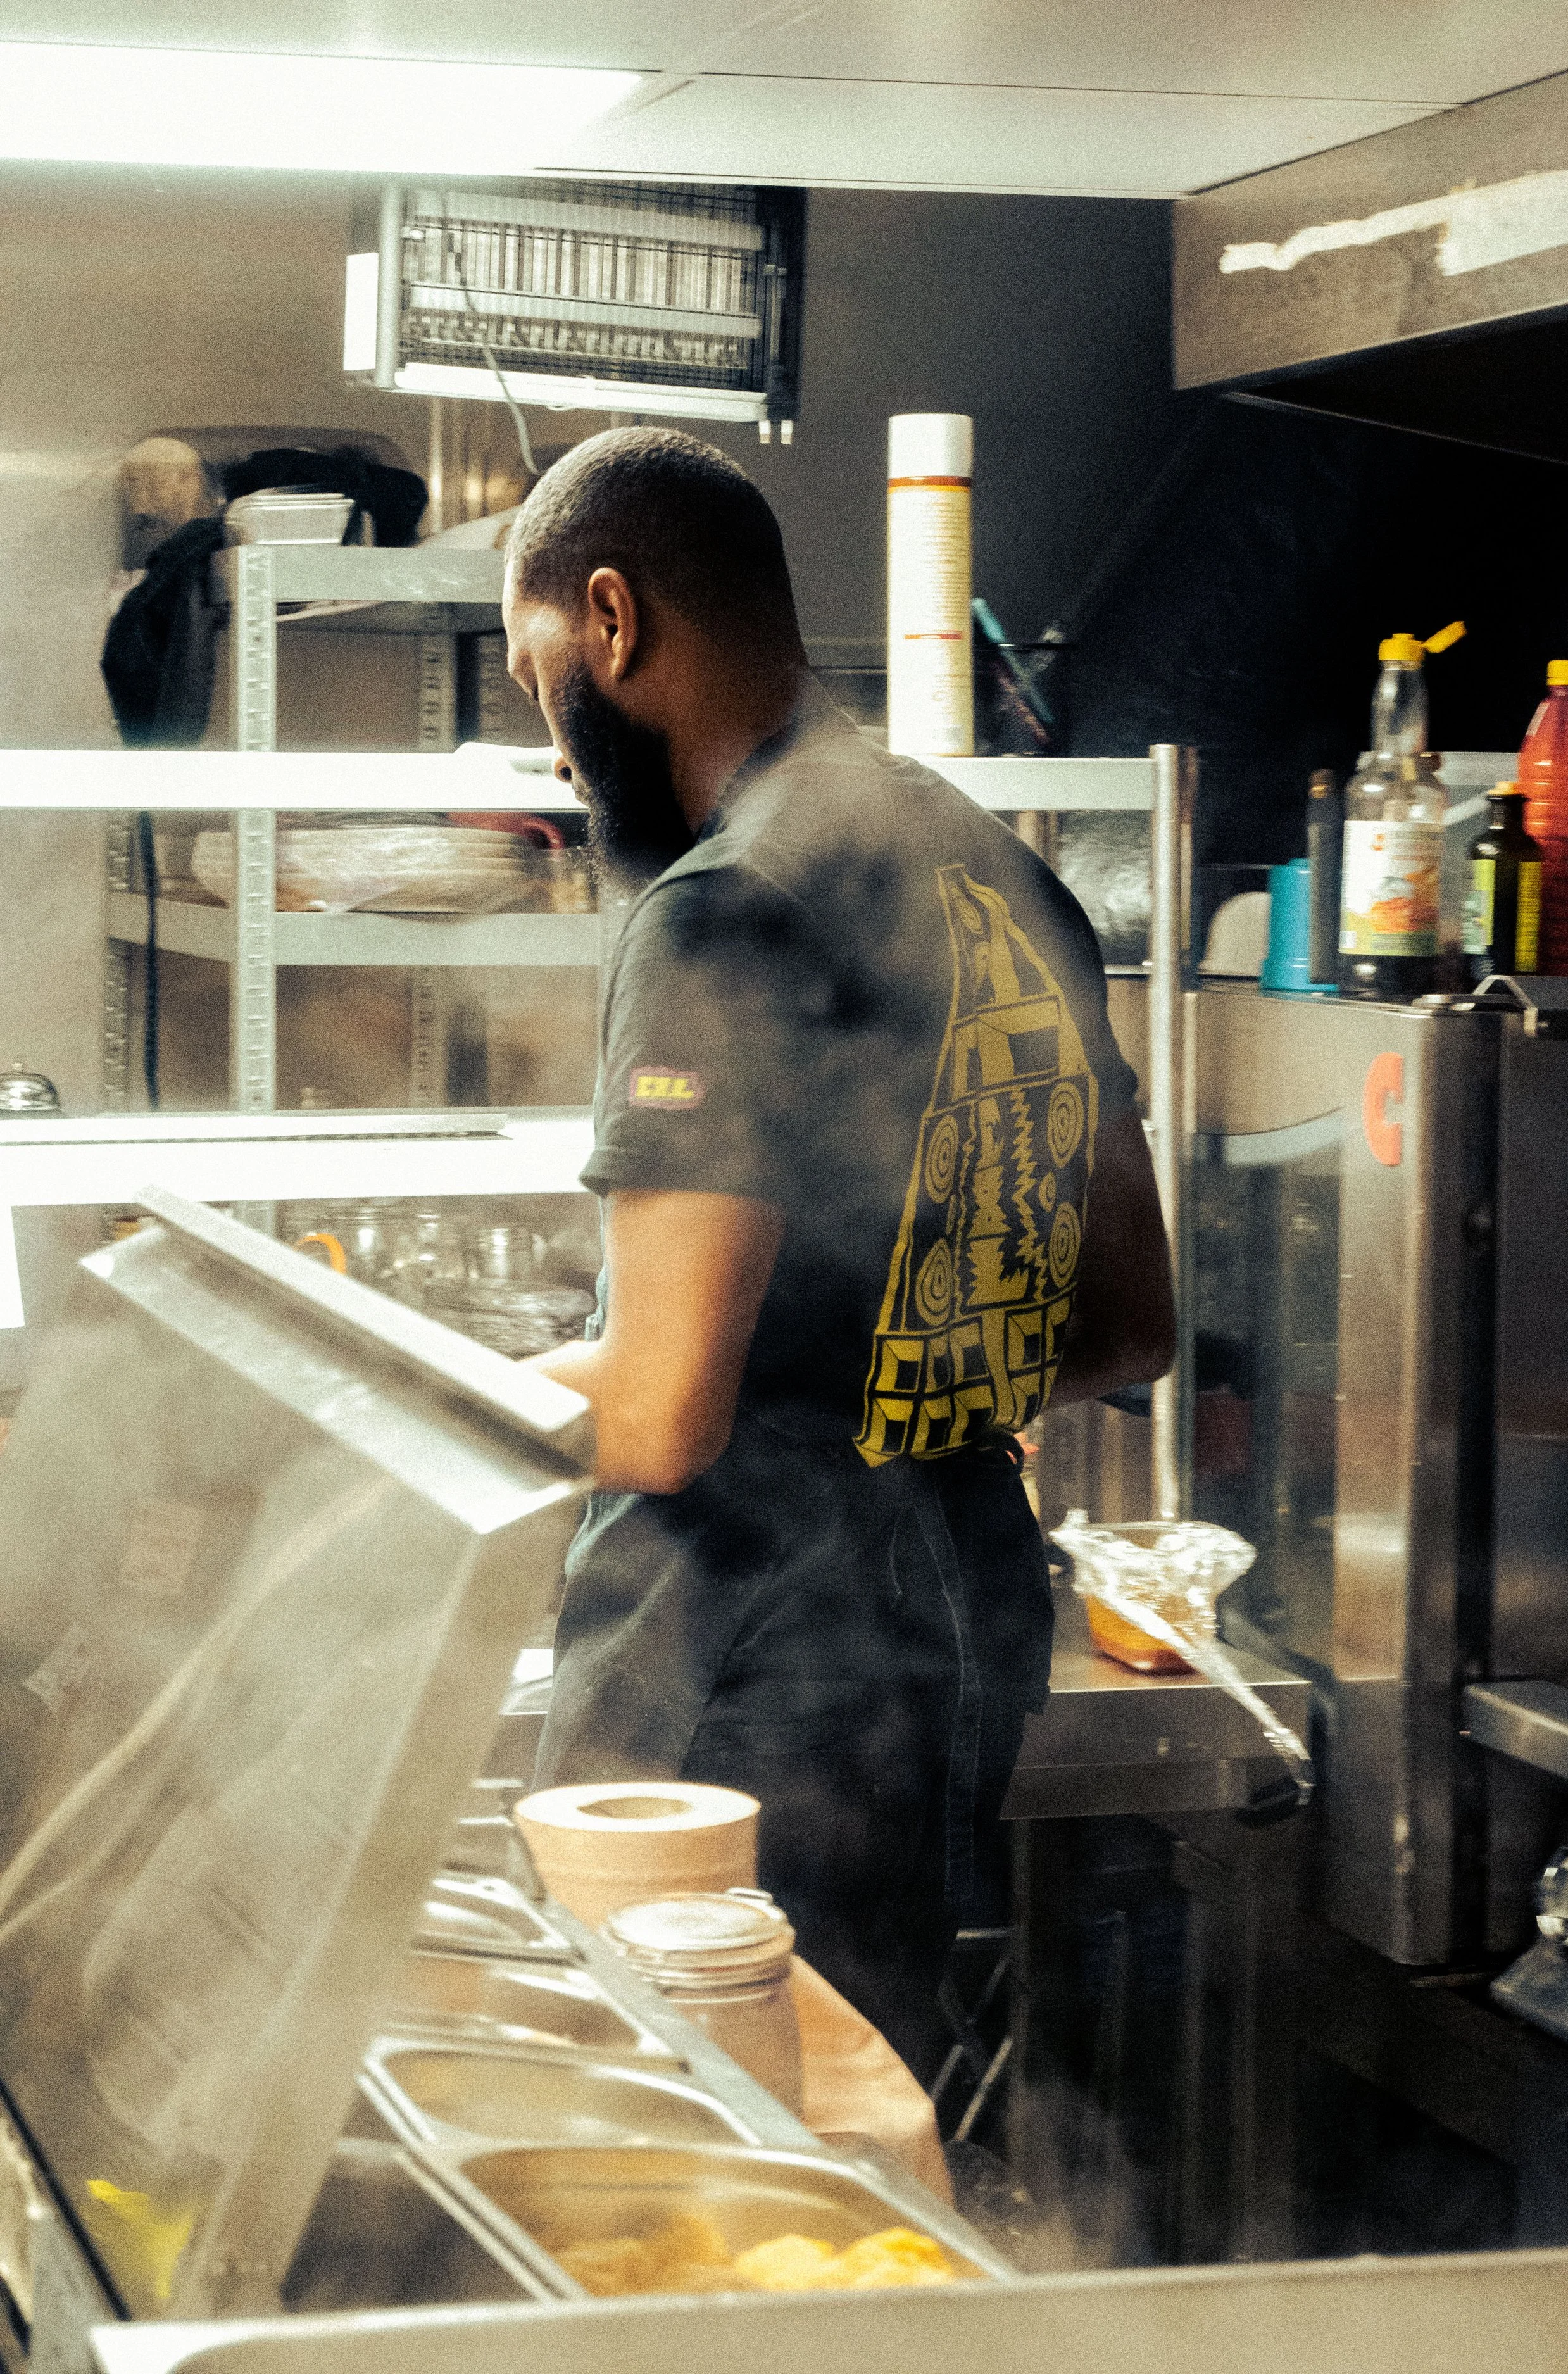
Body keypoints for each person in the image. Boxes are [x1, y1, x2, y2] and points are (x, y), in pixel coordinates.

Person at [503, 428, 1175, 2076]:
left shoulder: (722, 906)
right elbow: (1127, 1317)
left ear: (610, 620)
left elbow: (660, 1411)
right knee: (868, 2101)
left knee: (709, 2159)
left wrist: (425, 1394)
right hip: (946, 1627)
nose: (550, 731)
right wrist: (915, 1366)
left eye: (536, 675)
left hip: (736, 1679)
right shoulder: (996, 869)